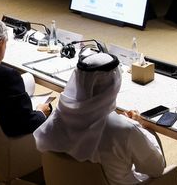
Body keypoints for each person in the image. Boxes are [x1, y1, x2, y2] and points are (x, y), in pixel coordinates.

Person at [34, 52, 166, 185]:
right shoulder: (124, 129)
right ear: (116, 83)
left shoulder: (58, 116)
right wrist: (140, 126)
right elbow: (157, 168)